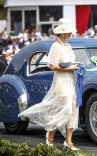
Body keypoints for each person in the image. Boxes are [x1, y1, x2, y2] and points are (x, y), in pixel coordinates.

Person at [18, 18, 80, 150]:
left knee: (73, 111)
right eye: (69, 32)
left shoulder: (67, 46)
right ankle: (50, 135)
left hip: (71, 80)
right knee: (66, 110)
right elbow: (52, 66)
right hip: (61, 81)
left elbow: (68, 63)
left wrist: (75, 67)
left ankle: (68, 142)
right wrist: (70, 68)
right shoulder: (55, 46)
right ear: (62, 33)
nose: (71, 34)